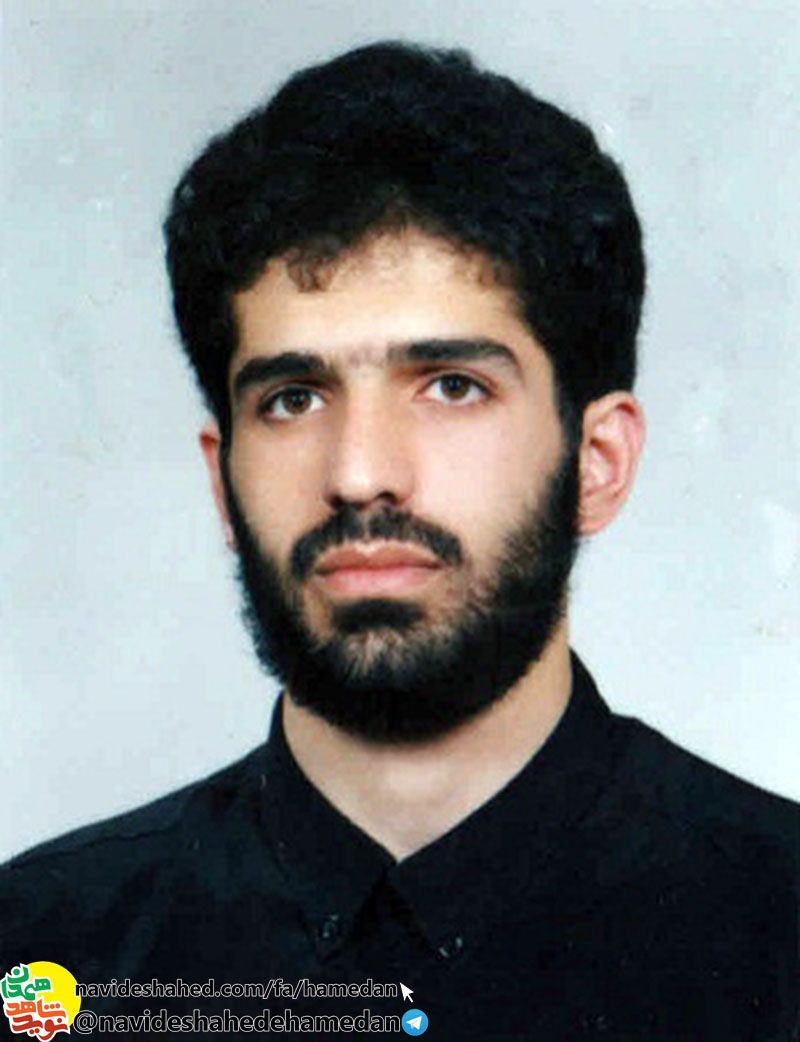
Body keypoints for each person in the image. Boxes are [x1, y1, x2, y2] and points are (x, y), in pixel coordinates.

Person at [2, 41, 798, 1041]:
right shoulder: (44, 957)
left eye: (451, 386)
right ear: (222, 477)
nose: (358, 472)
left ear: (596, 462)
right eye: (293, 398)